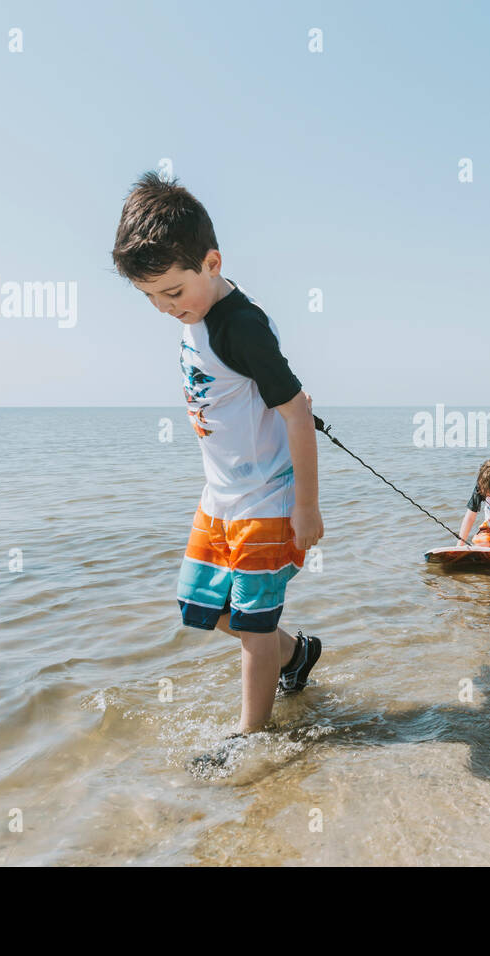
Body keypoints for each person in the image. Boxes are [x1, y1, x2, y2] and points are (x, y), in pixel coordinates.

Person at [112, 172, 324, 737]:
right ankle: (296, 654)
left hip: (267, 499)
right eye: (150, 297)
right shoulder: (195, 310)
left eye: (172, 293)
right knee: (202, 606)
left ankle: (249, 739)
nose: (163, 308)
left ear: (211, 262)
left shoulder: (241, 327)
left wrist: (307, 507)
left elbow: (298, 411)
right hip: (221, 496)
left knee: (253, 632)